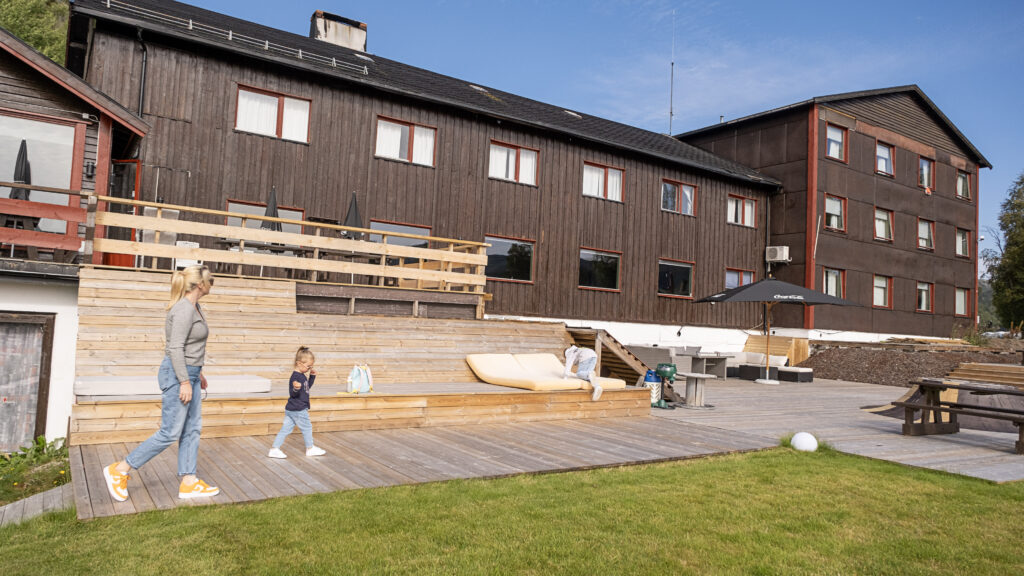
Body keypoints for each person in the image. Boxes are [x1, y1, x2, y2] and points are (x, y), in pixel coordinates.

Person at [102, 265, 220, 501]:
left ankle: (189, 482)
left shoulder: (195, 307)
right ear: (200, 285)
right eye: (210, 280)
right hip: (178, 376)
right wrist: (184, 380)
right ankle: (120, 470)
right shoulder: (183, 309)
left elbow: (190, 347)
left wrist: (197, 374)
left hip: (190, 373)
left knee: (192, 428)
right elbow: (175, 348)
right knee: (170, 432)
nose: (212, 284)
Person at [268, 347, 326, 458]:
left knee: (285, 429)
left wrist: (312, 377)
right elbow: (293, 394)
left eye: (311, 367)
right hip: (299, 409)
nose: (309, 369)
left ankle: (274, 449)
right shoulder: (295, 377)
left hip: (291, 409)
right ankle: (310, 448)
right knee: (307, 428)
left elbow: (306, 387)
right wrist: (295, 389)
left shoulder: (302, 376)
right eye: (308, 366)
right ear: (299, 363)